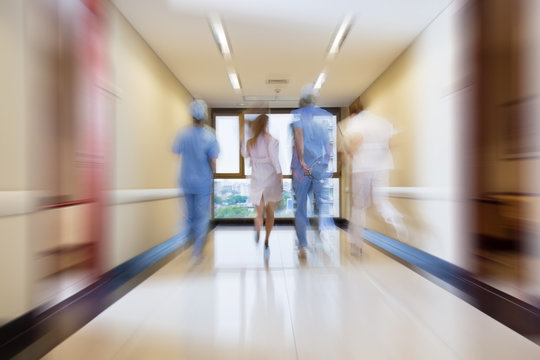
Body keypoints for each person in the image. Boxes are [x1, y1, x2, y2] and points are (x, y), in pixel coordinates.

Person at [339, 101, 407, 256]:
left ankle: (356, 245)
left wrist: (347, 155)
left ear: (351, 112)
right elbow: (392, 142)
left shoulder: (355, 121)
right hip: (382, 167)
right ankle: (395, 218)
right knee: (381, 201)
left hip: (362, 168)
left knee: (359, 207)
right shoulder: (381, 121)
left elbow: (358, 138)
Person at [291, 83, 335, 258]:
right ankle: (318, 239)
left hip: (302, 169)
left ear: (301, 102)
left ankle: (302, 245)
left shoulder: (297, 116)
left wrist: (301, 161)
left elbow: (298, 137)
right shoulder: (322, 119)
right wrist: (325, 163)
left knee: (301, 207)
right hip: (318, 168)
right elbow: (329, 146)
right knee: (318, 205)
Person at [172, 99, 220, 258]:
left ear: (191, 115)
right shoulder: (210, 136)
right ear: (205, 116)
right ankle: (197, 250)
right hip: (203, 182)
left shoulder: (182, 134)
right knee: (202, 215)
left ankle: (185, 239)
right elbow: (213, 161)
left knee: (189, 215)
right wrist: (213, 174)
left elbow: (175, 155)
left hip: (186, 180)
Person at [241, 114, 283, 256]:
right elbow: (275, 159)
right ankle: (266, 240)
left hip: (257, 178)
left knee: (259, 212)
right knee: (270, 212)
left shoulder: (250, 142)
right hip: (270, 177)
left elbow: (244, 154)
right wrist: (280, 175)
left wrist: (243, 135)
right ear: (266, 125)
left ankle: (258, 223)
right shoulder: (271, 141)